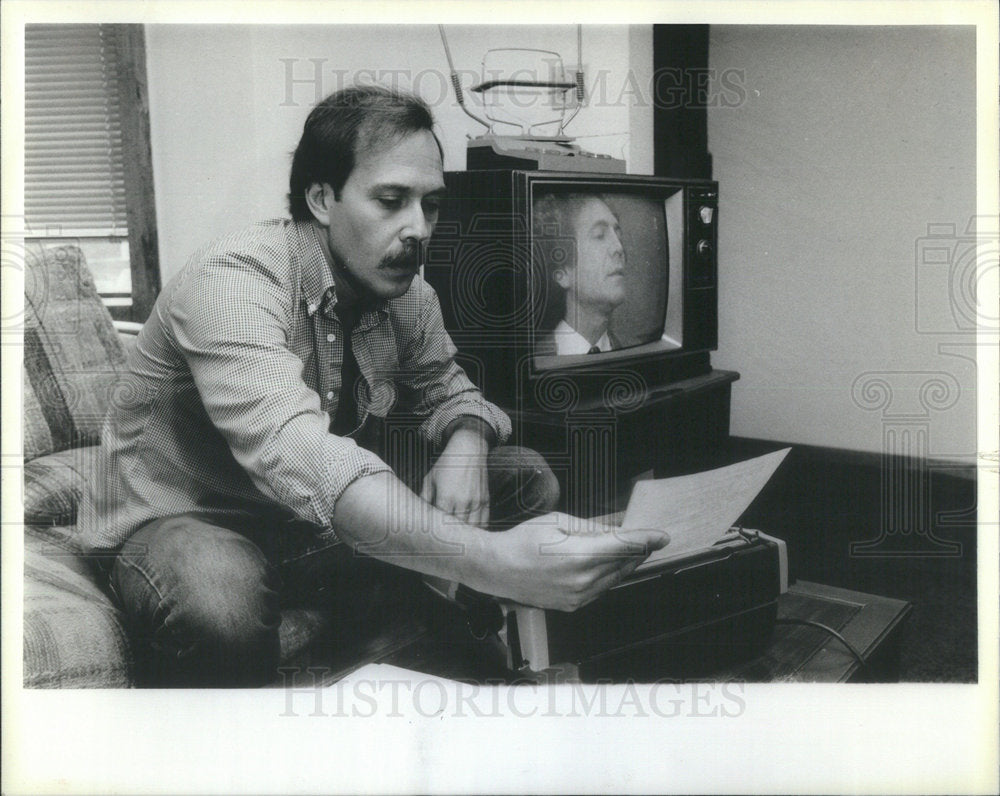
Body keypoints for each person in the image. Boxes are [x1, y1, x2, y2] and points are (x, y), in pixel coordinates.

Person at [78, 86, 667, 686]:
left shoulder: (409, 295)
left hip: (298, 525)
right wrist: (494, 564)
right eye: (391, 201)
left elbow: (451, 387)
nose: (418, 230)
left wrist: (467, 438)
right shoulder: (231, 281)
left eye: (430, 205)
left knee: (520, 473)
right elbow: (298, 448)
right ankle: (396, 632)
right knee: (218, 585)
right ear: (321, 198)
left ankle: (405, 634)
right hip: (189, 522)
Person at [533, 192, 627, 355]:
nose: (619, 247)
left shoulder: (630, 353)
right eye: (600, 235)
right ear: (562, 273)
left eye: (618, 235)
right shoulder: (533, 359)